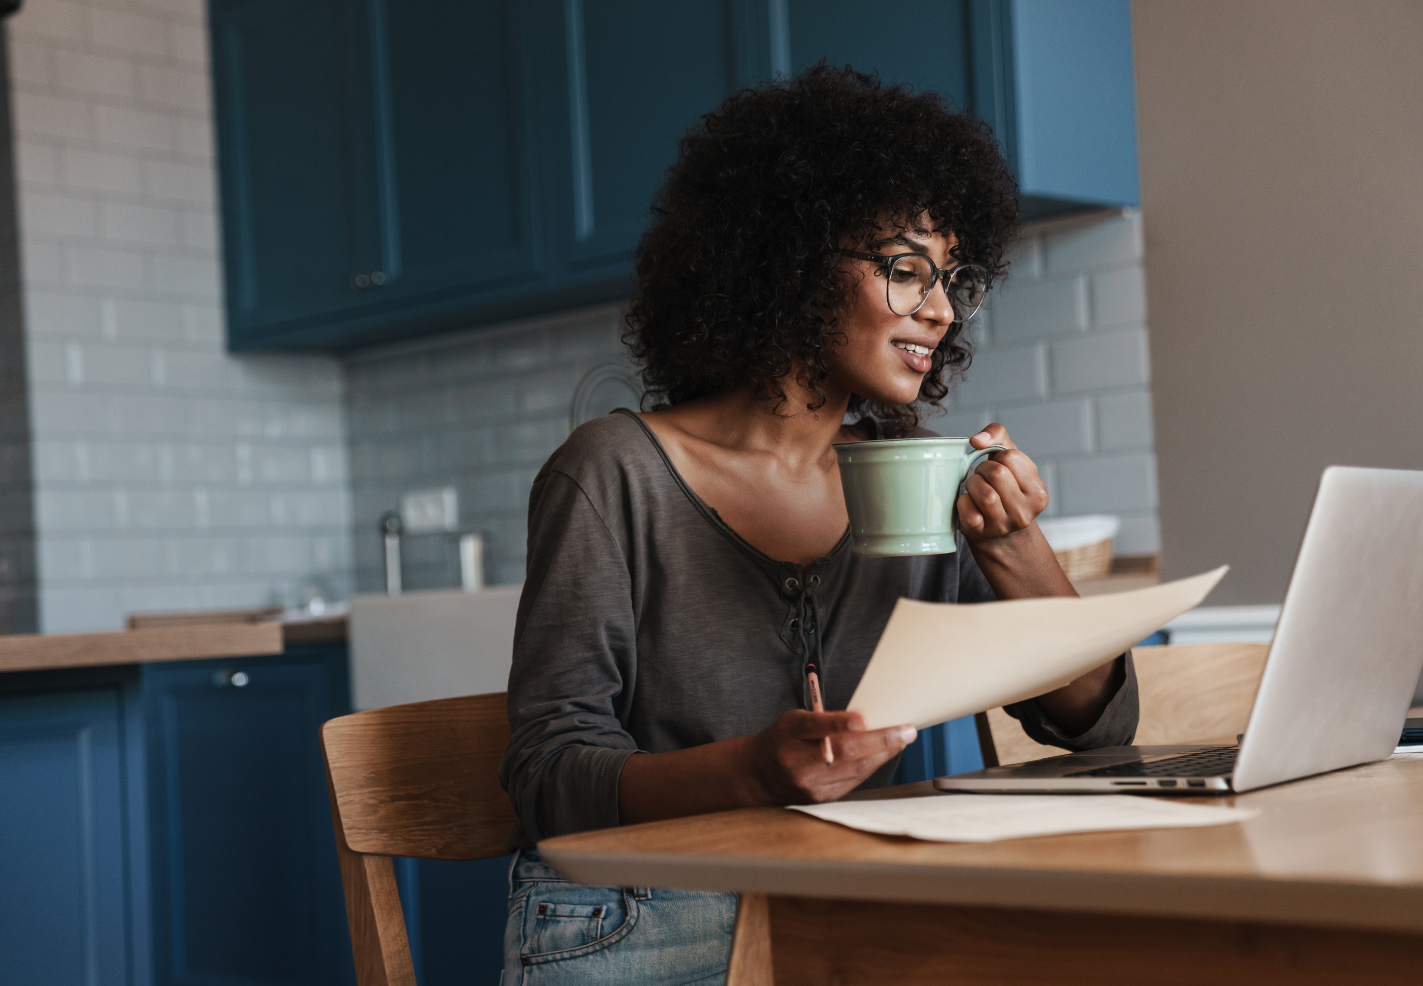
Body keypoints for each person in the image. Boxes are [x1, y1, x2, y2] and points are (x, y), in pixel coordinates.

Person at [498, 65, 1138, 985]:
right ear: (789, 261)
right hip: (638, 918)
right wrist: (752, 774)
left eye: (952, 277)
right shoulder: (612, 473)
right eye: (906, 269)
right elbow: (548, 776)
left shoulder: (911, 474)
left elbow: (1091, 723)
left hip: (849, 911)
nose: (943, 309)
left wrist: (1010, 545)